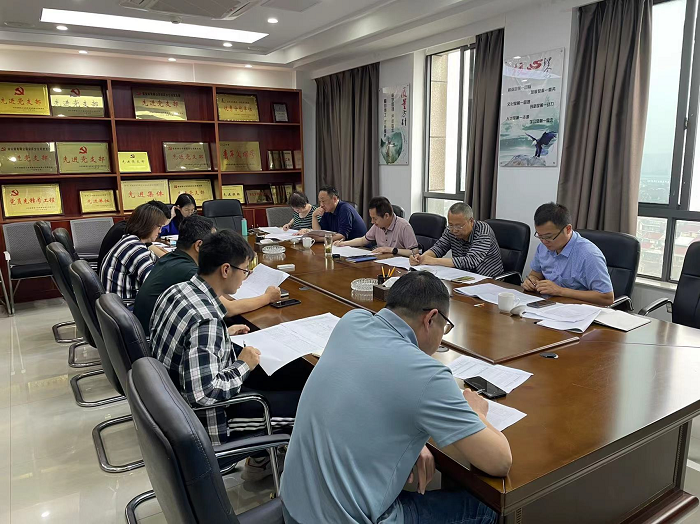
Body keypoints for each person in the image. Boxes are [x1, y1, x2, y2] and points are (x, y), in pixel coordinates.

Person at [281, 271, 511, 524]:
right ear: (431, 318)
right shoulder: (428, 375)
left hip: (294, 508)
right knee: (487, 509)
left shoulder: (352, 321)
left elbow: (370, 389)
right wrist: (476, 412)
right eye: (445, 327)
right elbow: (500, 462)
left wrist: (414, 437)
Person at [150, 229, 304, 470]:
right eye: (244, 271)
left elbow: (184, 342)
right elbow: (203, 395)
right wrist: (244, 365)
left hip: (172, 406)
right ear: (225, 270)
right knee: (305, 405)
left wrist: (224, 335)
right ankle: (265, 463)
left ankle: (263, 456)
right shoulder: (207, 321)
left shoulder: (177, 291)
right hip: (213, 421)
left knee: (290, 373)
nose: (245, 278)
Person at [133, 215, 282, 333]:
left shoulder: (172, 258)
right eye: (214, 241)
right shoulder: (189, 271)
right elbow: (228, 309)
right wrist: (267, 297)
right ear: (199, 245)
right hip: (153, 338)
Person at [522, 202, 614, 306]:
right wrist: (531, 281)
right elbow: (535, 274)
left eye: (548, 237)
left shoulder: (589, 255)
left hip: (577, 309)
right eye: (540, 236)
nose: (544, 241)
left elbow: (607, 297)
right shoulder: (543, 247)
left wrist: (560, 291)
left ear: (568, 229)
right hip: (548, 305)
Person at [410, 202, 504, 277]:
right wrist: (421, 258)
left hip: (489, 279)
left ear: (471, 221)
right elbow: (439, 248)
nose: (454, 230)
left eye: (459, 226)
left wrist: (433, 261)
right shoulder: (449, 230)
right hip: (462, 276)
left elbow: (471, 261)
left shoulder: (483, 230)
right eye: (451, 225)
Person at [99, 203, 169, 301]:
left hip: (116, 303)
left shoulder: (130, 240)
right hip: (125, 305)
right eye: (159, 227)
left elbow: (157, 262)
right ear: (148, 225)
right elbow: (155, 285)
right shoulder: (134, 247)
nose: (160, 231)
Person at [97, 199, 174, 269]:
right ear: (150, 221)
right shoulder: (129, 238)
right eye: (159, 226)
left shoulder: (132, 232)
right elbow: (151, 276)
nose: (160, 231)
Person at [333, 196, 419, 256]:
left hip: (399, 267)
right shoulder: (377, 226)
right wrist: (343, 243)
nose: (372, 222)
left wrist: (392, 250)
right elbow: (363, 240)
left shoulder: (404, 226)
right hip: (382, 262)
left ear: (386, 216)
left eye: (375, 218)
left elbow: (415, 252)